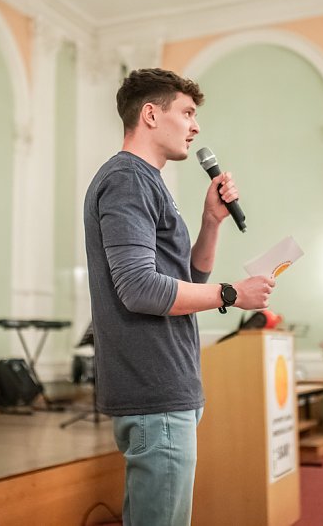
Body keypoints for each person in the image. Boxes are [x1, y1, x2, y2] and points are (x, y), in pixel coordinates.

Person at [83, 68, 276, 526]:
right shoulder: (128, 179)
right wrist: (233, 294)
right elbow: (140, 289)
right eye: (187, 112)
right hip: (154, 388)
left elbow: (183, 278)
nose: (196, 126)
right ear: (150, 114)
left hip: (168, 385)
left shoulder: (149, 183)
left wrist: (210, 222)